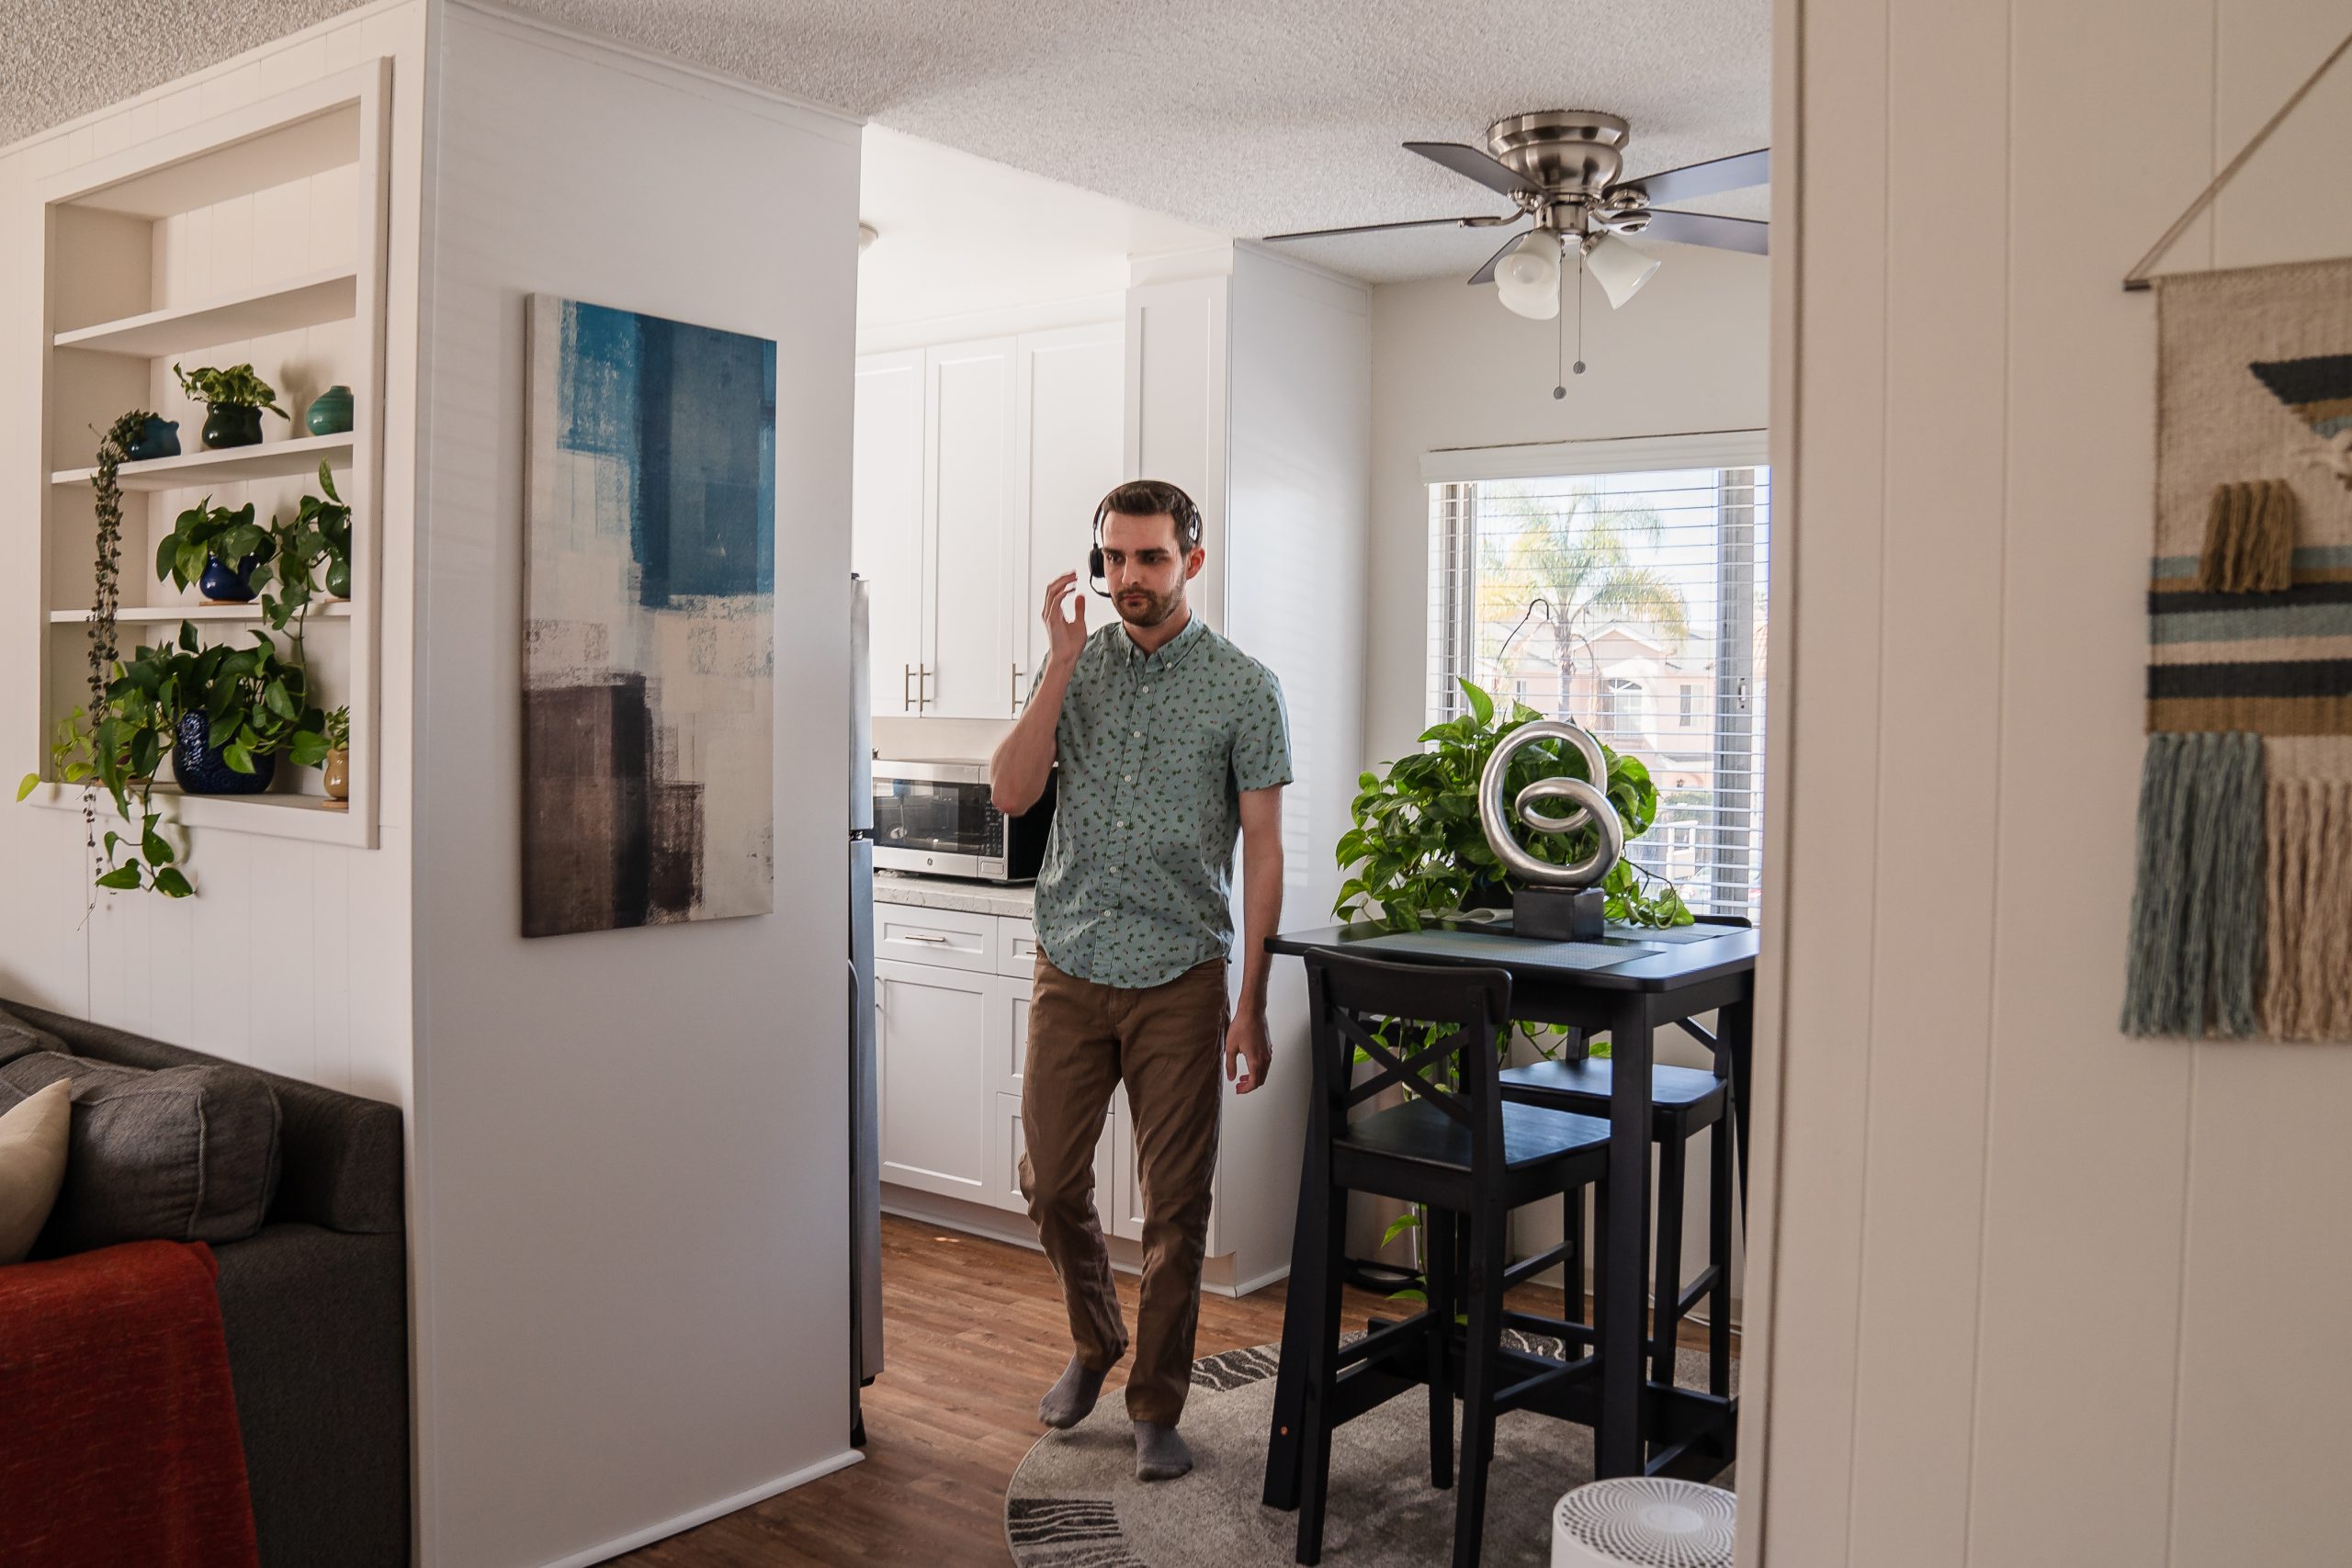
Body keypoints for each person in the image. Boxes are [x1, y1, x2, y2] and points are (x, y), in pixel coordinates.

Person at [988, 478, 1290, 1483]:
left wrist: (1249, 1002)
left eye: (1150, 559)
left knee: (1175, 1208)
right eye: (1113, 558)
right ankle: (1093, 1339)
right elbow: (1011, 791)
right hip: (1069, 960)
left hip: (1181, 974)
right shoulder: (1072, 666)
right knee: (1048, 1180)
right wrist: (1060, 664)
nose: (1128, 579)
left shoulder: (1244, 687)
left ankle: (1155, 1402)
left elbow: (1263, 850)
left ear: (1191, 563)